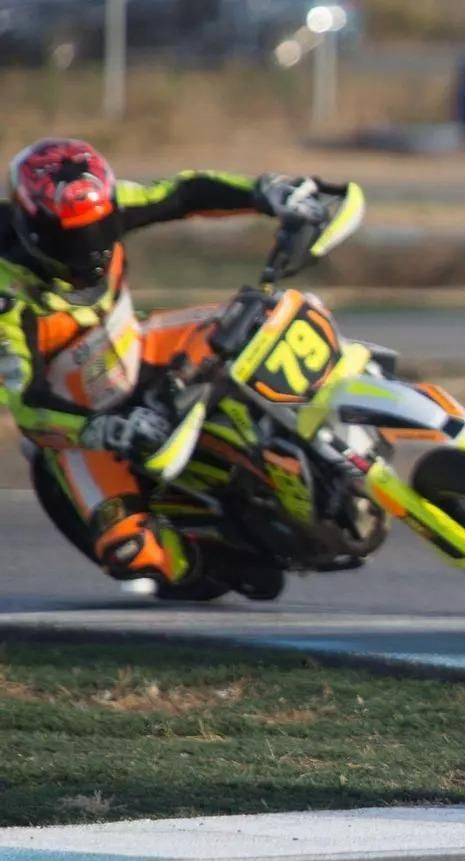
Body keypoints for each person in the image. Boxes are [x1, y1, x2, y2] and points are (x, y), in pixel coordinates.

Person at [1, 137, 325, 596]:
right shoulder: (7, 297)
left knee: (267, 321)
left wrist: (266, 193)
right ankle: (206, 563)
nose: (89, 249)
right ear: (30, 228)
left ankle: (336, 414)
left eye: (99, 230)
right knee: (127, 549)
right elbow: (27, 406)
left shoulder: (107, 202)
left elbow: (184, 193)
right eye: (69, 239)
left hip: (139, 346)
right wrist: (101, 429)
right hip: (82, 423)